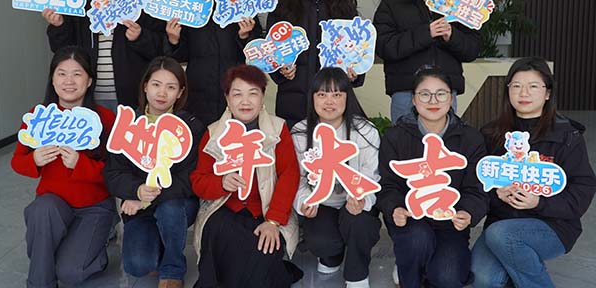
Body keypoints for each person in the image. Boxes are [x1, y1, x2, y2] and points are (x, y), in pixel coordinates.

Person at [471, 57, 596, 288]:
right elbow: (474, 184)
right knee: (484, 278)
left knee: (503, 236)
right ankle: (519, 265)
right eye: (516, 86)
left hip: (552, 224)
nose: (524, 93)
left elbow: (583, 188)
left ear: (547, 93)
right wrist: (495, 194)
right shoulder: (491, 133)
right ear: (508, 90)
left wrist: (539, 202)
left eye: (533, 86)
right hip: (502, 219)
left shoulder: (567, 136)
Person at [11, 46, 117, 288]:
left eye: (77, 74)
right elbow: (17, 161)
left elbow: (116, 172)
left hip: (94, 207)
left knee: (70, 272)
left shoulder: (104, 119)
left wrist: (82, 164)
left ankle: (94, 252)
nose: (69, 81)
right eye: (62, 73)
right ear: (52, 79)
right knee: (42, 210)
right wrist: (34, 159)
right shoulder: (38, 117)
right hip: (52, 205)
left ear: (89, 81)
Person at [190, 64, 302, 287]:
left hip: (267, 210)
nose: (245, 101)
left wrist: (273, 220)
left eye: (253, 93)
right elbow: (199, 181)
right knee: (221, 236)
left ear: (262, 97)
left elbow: (289, 175)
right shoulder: (213, 133)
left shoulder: (278, 129)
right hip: (223, 209)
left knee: (262, 251)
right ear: (227, 98)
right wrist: (221, 182)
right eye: (237, 94)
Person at [376, 66, 488, 288]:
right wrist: (394, 208)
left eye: (441, 94)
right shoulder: (395, 136)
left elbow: (477, 189)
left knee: (447, 277)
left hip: (450, 222)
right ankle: (410, 269)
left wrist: (468, 212)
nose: (433, 100)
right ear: (413, 99)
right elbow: (387, 185)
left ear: (451, 98)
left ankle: (424, 265)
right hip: (410, 218)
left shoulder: (470, 138)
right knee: (417, 240)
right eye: (425, 94)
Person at [103, 56, 205, 288]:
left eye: (171, 87)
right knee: (138, 265)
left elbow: (189, 178)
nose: (162, 93)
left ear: (180, 93)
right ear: (145, 86)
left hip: (176, 204)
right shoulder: (128, 123)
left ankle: (173, 270)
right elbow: (113, 172)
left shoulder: (190, 126)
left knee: (170, 210)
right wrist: (136, 190)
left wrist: (147, 199)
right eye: (156, 84)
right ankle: (161, 242)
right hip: (138, 207)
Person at [42, 0, 165, 111]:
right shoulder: (79, 3)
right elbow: (61, 50)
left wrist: (139, 37)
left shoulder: (141, 3)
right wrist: (59, 26)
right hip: (86, 97)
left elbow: (161, 49)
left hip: (133, 97)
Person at [373, 0, 481, 124]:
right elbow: (383, 46)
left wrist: (451, 36)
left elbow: (473, 48)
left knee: (443, 142)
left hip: (444, 92)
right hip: (406, 93)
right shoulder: (392, 3)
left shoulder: (455, 0)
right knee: (405, 142)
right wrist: (426, 33)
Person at [291, 67, 381, 288]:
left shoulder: (365, 131)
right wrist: (304, 201)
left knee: (360, 224)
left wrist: (363, 200)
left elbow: (372, 176)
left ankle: (357, 274)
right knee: (321, 242)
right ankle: (333, 255)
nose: (329, 101)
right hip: (323, 204)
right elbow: (298, 178)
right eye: (322, 94)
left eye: (337, 94)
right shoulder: (301, 132)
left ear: (347, 97)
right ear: (312, 98)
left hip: (354, 205)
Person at [267, 0, 363, 128]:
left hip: (334, 105)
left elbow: (357, 51)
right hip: (293, 104)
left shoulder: (343, 4)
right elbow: (271, 56)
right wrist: (281, 70)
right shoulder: (280, 9)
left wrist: (356, 73)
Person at [165, 0, 262, 126]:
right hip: (197, 94)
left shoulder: (243, 6)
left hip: (236, 93)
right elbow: (181, 56)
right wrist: (173, 39)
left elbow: (257, 56)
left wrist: (244, 37)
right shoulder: (188, 6)